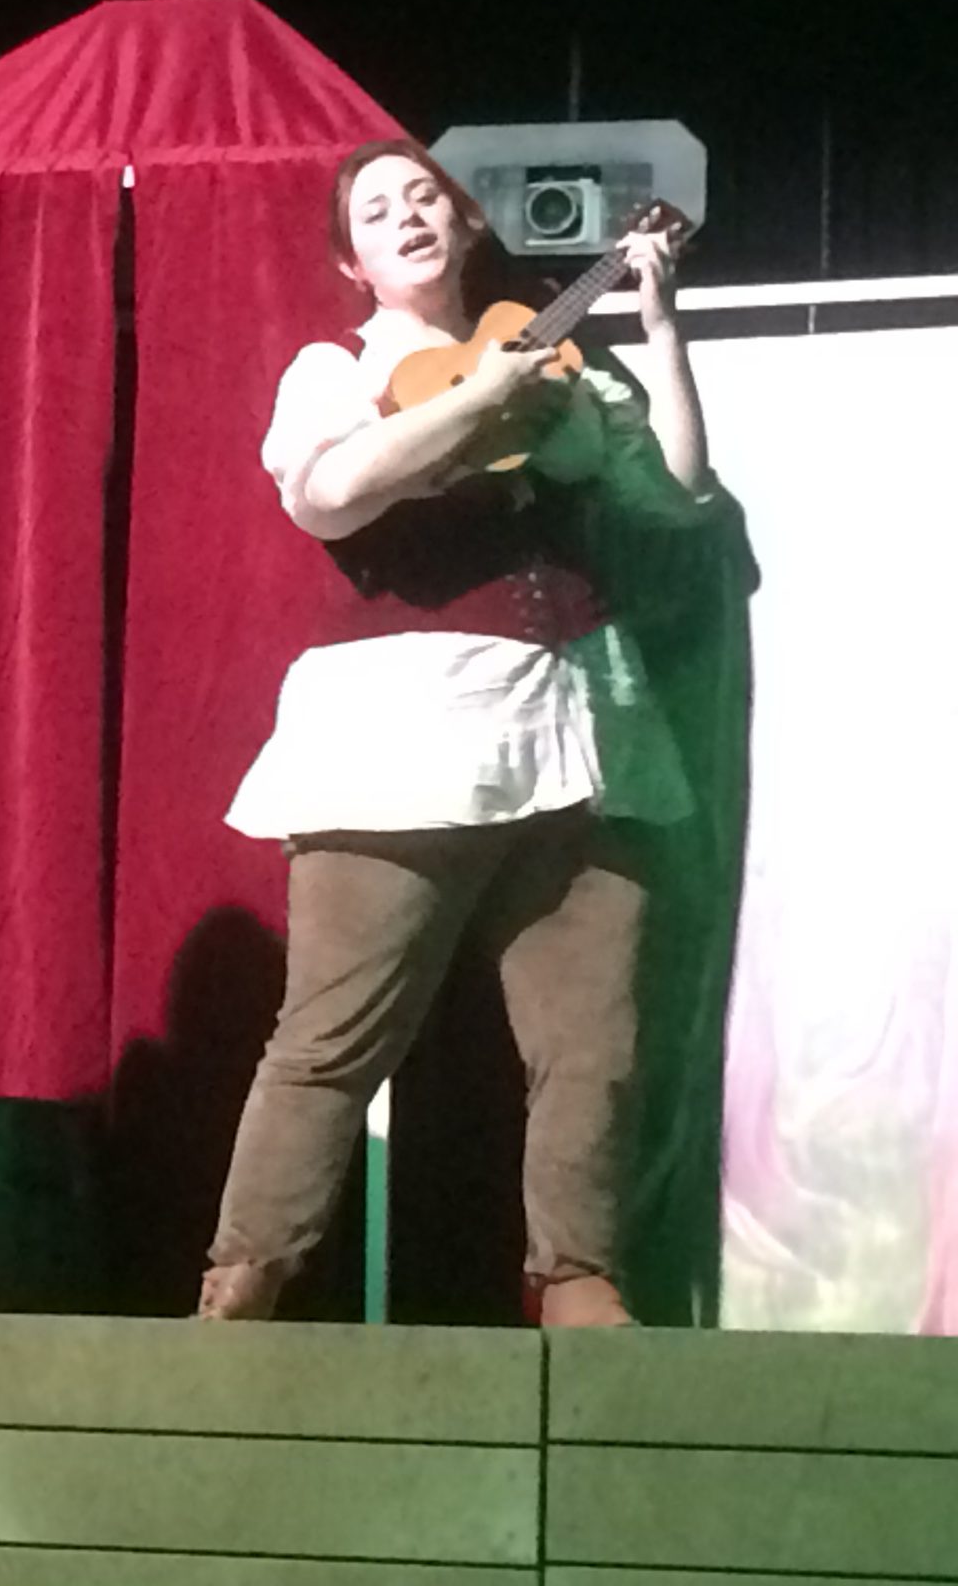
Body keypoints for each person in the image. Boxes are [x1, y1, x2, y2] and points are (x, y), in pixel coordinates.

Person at [204, 140, 719, 1326]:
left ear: (463, 221)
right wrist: (483, 398)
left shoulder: (556, 354)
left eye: (424, 196)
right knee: (331, 1035)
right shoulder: (335, 368)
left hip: (583, 725)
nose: (407, 216)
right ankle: (245, 1278)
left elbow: (680, 495)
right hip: (405, 733)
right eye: (377, 211)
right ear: (353, 261)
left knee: (593, 1037)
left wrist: (657, 324)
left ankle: (577, 1278)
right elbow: (328, 495)